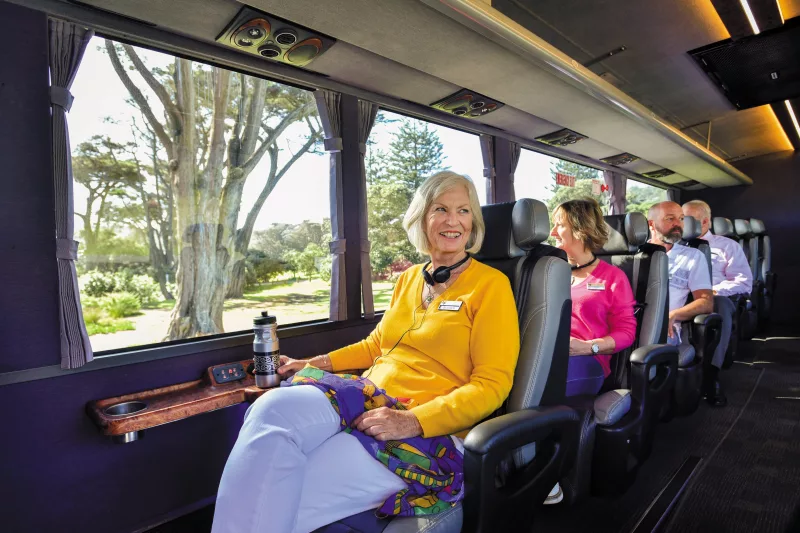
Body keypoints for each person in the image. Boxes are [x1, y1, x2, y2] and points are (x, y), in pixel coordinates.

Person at [211, 171, 520, 533]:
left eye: (464, 211)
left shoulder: (491, 286)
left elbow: (492, 384)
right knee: (270, 408)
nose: (453, 221)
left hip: (421, 424)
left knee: (282, 496)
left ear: (473, 223)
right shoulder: (408, 279)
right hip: (366, 398)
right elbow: (375, 346)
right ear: (422, 218)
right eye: (441, 209)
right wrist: (311, 363)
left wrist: (412, 420)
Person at [545, 198, 637, 505]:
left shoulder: (612, 277)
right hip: (547, 356)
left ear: (580, 230)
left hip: (588, 361)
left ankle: (549, 474)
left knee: (539, 389)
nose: (553, 230)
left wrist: (589, 347)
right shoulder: (549, 272)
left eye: (558, 223)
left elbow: (626, 332)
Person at [647, 202, 720, 403]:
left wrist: (673, 315)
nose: (678, 224)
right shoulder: (636, 255)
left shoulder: (693, 256)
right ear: (651, 224)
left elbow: (706, 302)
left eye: (681, 219)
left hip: (667, 330)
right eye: (670, 219)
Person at [682, 199, 751, 406]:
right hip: (684, 297)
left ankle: (711, 376)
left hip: (718, 297)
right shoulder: (676, 247)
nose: (682, 225)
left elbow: (744, 282)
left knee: (718, 304)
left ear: (705, 223)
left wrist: (713, 291)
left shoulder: (727, 246)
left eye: (688, 221)